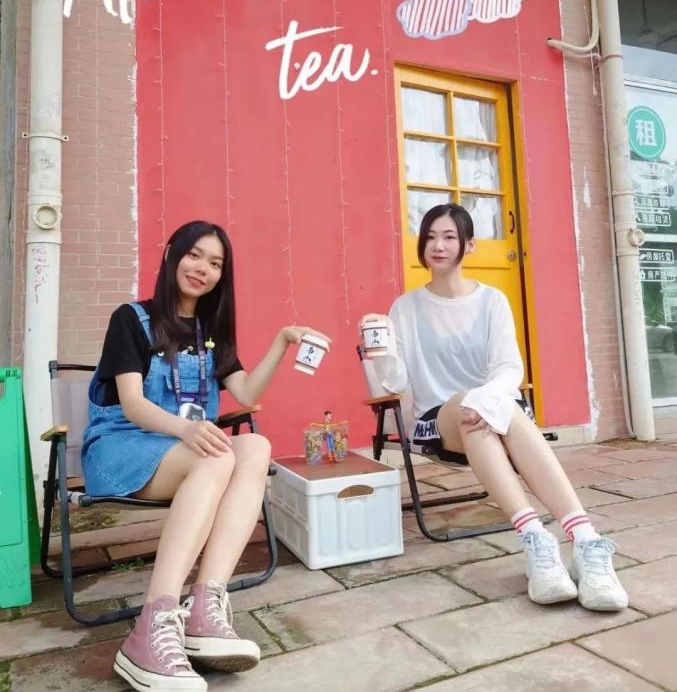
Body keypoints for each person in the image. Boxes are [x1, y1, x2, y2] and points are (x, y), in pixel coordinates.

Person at [82, 220, 330, 691]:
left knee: (254, 446)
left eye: (215, 263)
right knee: (217, 456)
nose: (203, 269)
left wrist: (281, 342)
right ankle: (151, 625)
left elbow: (247, 393)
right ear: (172, 254)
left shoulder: (210, 333)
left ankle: (203, 609)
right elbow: (132, 404)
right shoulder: (131, 319)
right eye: (194, 255)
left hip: (186, 449)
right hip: (121, 448)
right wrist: (187, 428)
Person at [360, 203, 628, 613]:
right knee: (474, 408)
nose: (437, 245)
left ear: (468, 245)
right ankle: (552, 542)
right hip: (437, 420)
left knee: (489, 413)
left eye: (449, 237)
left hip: (489, 412)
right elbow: (394, 384)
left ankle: (575, 543)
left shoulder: (491, 301)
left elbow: (509, 368)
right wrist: (379, 351)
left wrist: (483, 400)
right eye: (430, 237)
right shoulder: (405, 308)